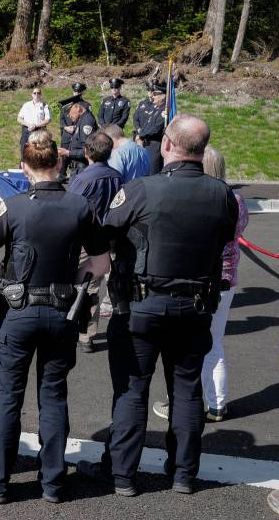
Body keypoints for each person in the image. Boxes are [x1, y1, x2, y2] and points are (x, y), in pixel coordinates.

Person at [77, 114, 238, 497]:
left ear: (166, 144)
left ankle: (122, 474)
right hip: (195, 308)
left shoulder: (141, 189)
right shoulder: (222, 194)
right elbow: (225, 236)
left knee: (132, 390)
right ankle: (183, 473)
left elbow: (106, 233)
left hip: (142, 306)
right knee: (186, 390)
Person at [0, 129, 110, 504]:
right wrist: (73, 281)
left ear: (24, 167)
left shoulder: (13, 206)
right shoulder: (80, 206)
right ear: (59, 163)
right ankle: (52, 482)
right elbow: (100, 264)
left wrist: (5, 279)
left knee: (8, 396)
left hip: (18, 310)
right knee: (53, 395)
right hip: (61, 310)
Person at [152, 146, 248, 424]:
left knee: (186, 344)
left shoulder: (201, 198)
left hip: (200, 278)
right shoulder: (236, 199)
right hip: (227, 279)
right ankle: (217, 403)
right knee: (214, 343)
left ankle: (183, 401)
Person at [66, 131, 122, 354]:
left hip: (84, 239)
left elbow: (69, 209)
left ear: (87, 151)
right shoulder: (117, 176)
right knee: (93, 286)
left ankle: (78, 330)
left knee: (80, 284)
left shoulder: (82, 178)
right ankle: (87, 334)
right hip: (108, 237)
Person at [57, 99, 98, 180]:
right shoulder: (81, 120)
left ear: (77, 108)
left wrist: (68, 153)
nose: (68, 115)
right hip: (78, 168)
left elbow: (88, 150)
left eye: (69, 111)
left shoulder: (86, 121)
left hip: (82, 168)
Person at [133, 82, 167, 174]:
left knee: (152, 172)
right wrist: (139, 135)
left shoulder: (164, 110)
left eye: (155, 94)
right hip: (146, 143)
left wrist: (140, 136)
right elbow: (146, 125)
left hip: (155, 146)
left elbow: (156, 128)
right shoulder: (155, 108)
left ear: (163, 96)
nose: (153, 96)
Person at [17, 88, 51, 163]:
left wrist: (35, 125)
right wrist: (29, 125)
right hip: (26, 130)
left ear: (41, 95)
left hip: (39, 132)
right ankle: (23, 169)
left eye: (38, 93)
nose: (36, 95)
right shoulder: (26, 105)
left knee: (37, 152)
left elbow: (48, 120)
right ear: (32, 94)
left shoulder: (44, 105)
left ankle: (36, 170)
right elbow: (19, 119)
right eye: (34, 93)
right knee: (24, 152)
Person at [59, 82, 90, 148]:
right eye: (75, 91)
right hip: (67, 135)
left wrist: (76, 127)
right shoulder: (66, 104)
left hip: (79, 135)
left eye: (79, 91)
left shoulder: (86, 105)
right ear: (73, 91)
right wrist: (66, 127)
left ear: (82, 92)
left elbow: (88, 120)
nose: (77, 93)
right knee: (64, 155)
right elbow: (62, 119)